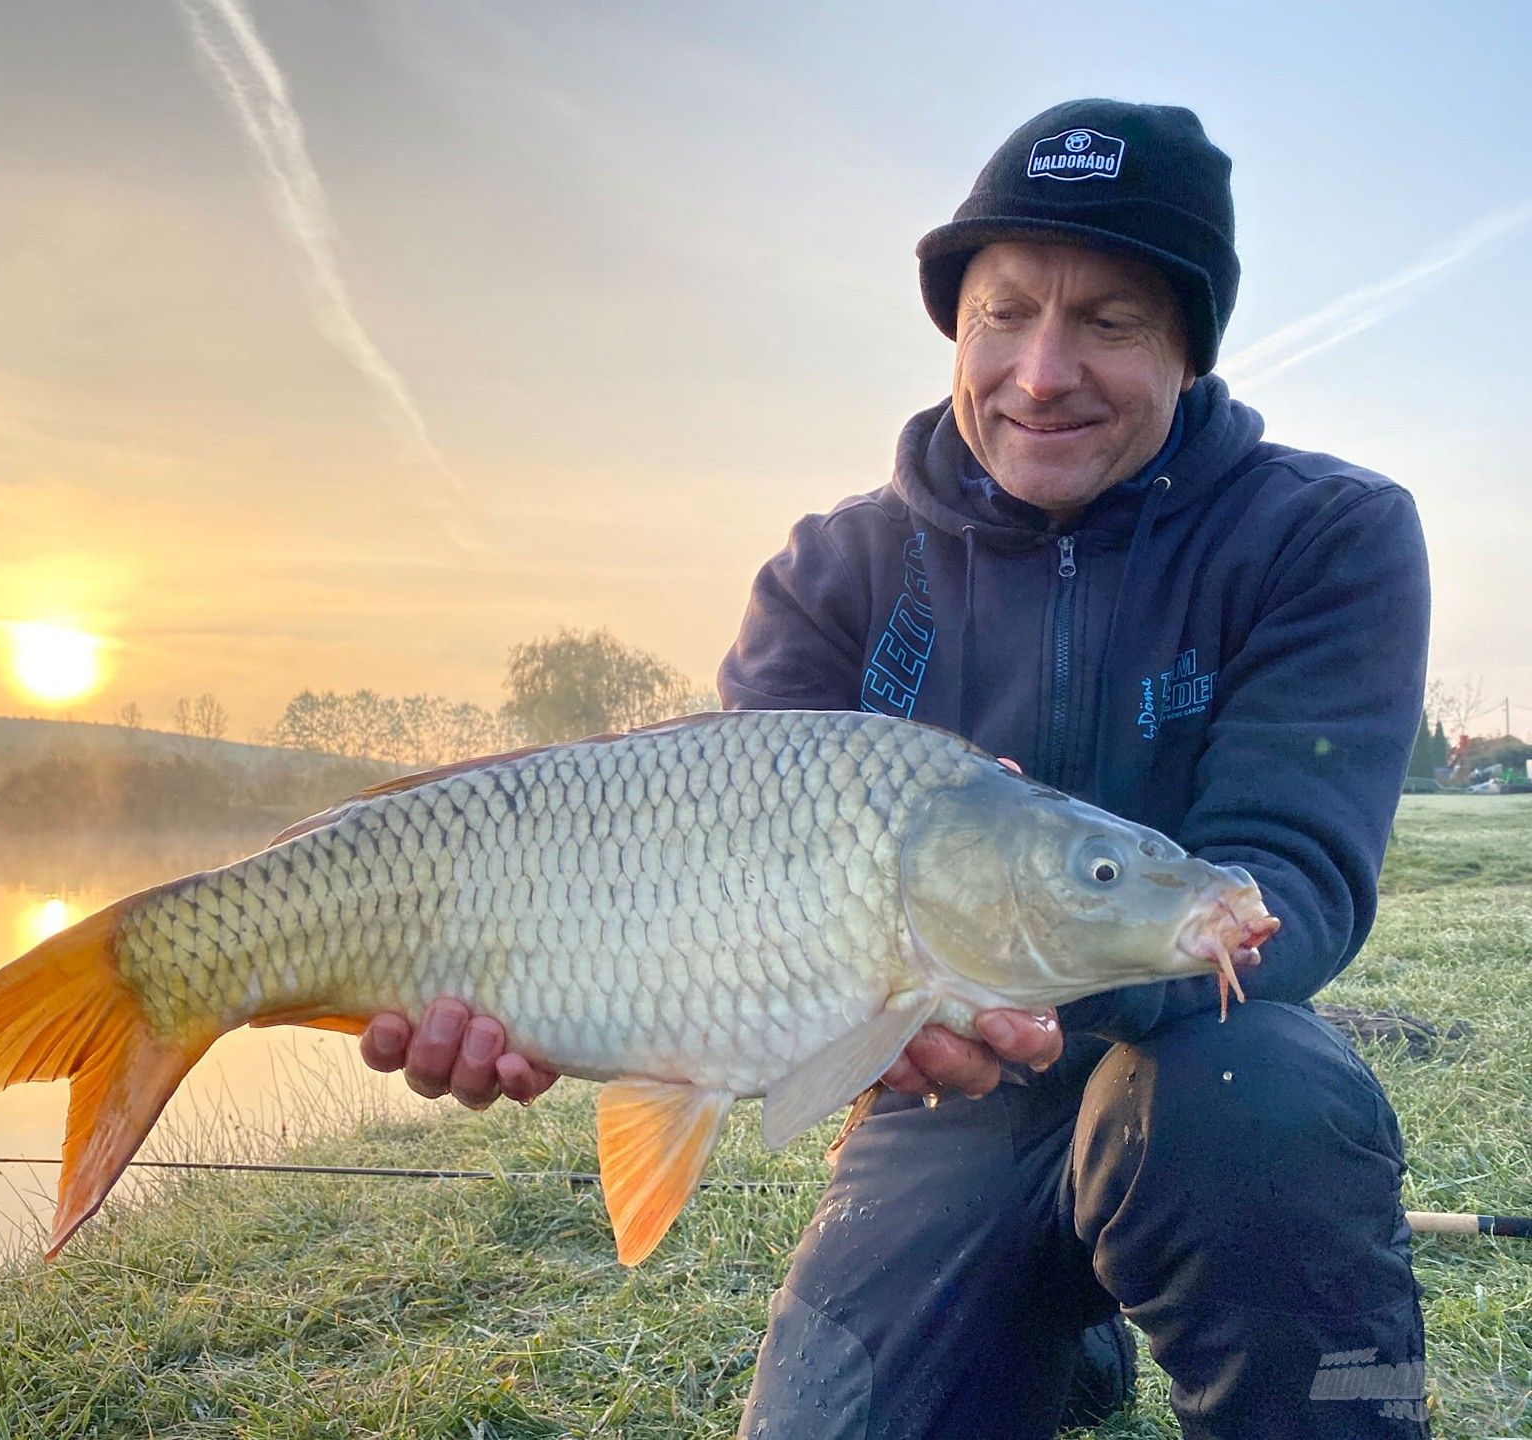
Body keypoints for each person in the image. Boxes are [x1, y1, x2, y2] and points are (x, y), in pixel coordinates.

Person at [360, 99, 1434, 1439]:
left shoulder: (1327, 536)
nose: (1041, 371)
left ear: (1190, 349)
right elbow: (711, 911)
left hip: (1206, 1071)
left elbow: (1296, 874)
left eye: (1108, 321)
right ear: (957, 330)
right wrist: (563, 1005)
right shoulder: (836, 570)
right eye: (1002, 314)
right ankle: (1050, 1334)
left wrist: (1051, 979)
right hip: (939, 1113)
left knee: (1263, 1101)